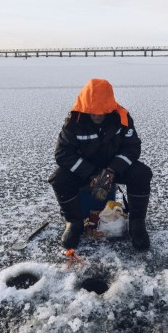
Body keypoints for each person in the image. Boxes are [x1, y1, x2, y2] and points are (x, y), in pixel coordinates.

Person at [48, 78, 152, 251]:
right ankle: (74, 223)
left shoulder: (122, 118)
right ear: (84, 107)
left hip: (115, 167)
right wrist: (92, 173)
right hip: (86, 170)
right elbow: (63, 153)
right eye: (93, 111)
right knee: (59, 179)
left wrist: (112, 170)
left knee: (142, 173)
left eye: (102, 111)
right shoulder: (74, 122)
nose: (97, 115)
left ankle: (137, 223)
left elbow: (132, 148)